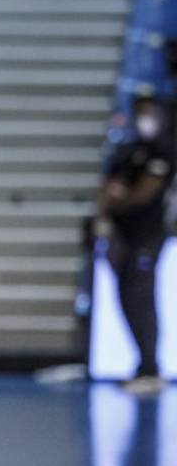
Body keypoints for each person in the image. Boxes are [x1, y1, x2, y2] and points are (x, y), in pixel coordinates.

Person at [98, 92, 173, 395]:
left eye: (149, 112)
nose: (144, 119)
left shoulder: (163, 150)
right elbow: (108, 188)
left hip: (147, 236)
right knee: (127, 297)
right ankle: (142, 365)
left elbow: (145, 191)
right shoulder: (129, 150)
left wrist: (121, 199)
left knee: (141, 297)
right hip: (123, 236)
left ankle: (151, 369)